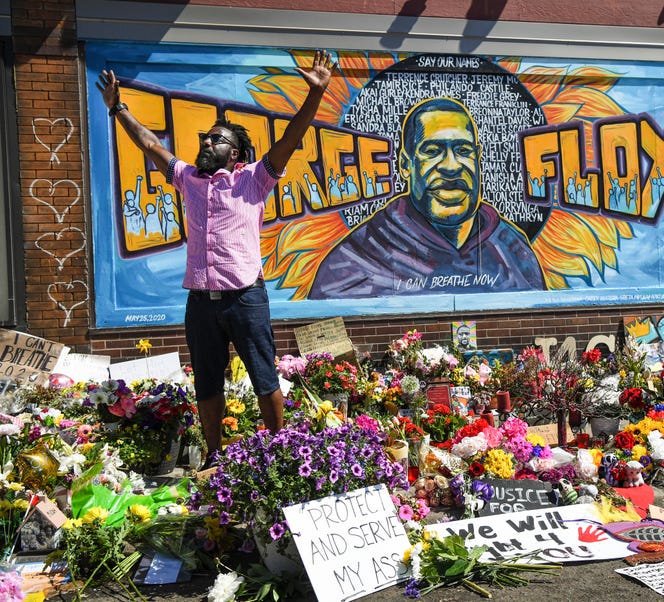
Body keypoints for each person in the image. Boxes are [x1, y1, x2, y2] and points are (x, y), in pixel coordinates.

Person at [97, 50, 336, 469]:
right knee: (207, 383)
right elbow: (151, 143)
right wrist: (118, 108)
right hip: (200, 303)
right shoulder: (188, 178)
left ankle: (279, 453)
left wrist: (315, 95)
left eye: (216, 139)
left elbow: (293, 137)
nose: (205, 142)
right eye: (205, 137)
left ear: (235, 154)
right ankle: (214, 455)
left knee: (264, 377)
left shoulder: (254, 179)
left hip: (245, 298)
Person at [308, 97, 545, 298]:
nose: (451, 167)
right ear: (404, 165)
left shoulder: (512, 250)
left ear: (478, 158)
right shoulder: (355, 260)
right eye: (432, 151)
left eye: (463, 150)